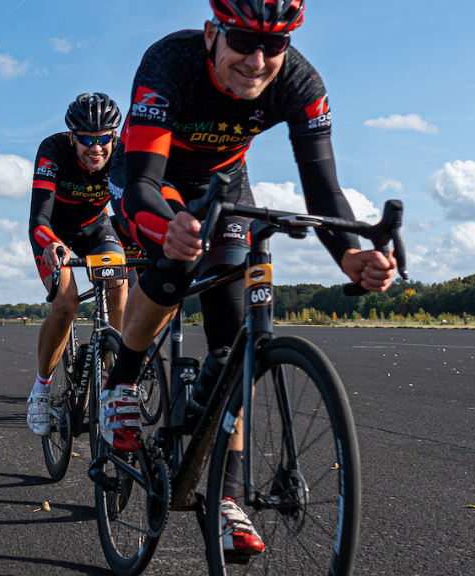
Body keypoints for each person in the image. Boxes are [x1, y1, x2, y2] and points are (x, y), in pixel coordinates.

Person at [101, 0, 400, 555]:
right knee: (177, 261)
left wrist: (349, 256)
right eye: (242, 41)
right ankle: (121, 383)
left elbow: (324, 190)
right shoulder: (171, 62)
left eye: (274, 45)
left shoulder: (300, 80)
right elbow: (143, 180)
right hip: (151, 178)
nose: (258, 60)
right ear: (213, 32)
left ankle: (227, 497)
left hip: (225, 183)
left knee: (234, 344)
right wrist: (169, 228)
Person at [25, 93, 131, 436]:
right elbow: (39, 216)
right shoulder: (53, 151)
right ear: (72, 136)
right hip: (53, 233)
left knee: (119, 283)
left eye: (103, 139)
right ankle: (41, 390)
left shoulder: (123, 154)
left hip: (96, 227)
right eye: (87, 139)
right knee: (67, 303)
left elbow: (133, 204)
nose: (96, 148)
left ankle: (111, 372)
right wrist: (51, 243)